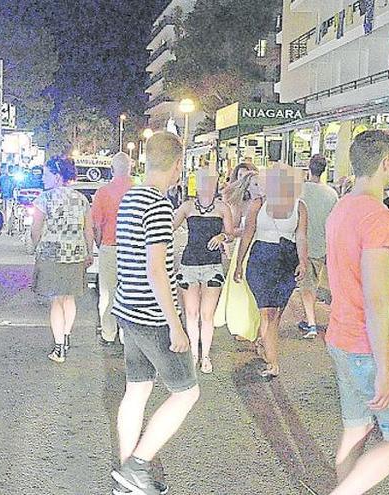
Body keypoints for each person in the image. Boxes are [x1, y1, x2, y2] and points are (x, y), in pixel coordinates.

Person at [325, 130, 389, 495]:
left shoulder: (341, 210)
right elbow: (378, 300)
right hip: (371, 346)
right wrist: (386, 368)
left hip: (341, 337)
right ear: (387, 164)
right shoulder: (380, 219)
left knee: (356, 426)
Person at [110, 132, 198, 495]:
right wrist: (176, 326)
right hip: (152, 315)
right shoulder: (159, 206)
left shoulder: (131, 197)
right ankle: (138, 465)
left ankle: (127, 471)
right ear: (177, 165)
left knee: (137, 390)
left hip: (127, 308)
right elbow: (157, 270)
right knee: (185, 394)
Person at [234, 164, 309, 379]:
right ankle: (273, 362)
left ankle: (265, 342)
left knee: (276, 314)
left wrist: (302, 261)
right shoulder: (258, 205)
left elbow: (302, 237)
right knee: (267, 312)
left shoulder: (299, 207)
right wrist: (239, 263)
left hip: (286, 261)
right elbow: (248, 234)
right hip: (261, 261)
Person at [30, 156, 93, 363]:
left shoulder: (44, 199)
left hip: (51, 254)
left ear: (57, 176)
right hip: (75, 254)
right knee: (69, 298)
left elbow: (36, 229)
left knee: (56, 300)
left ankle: (59, 348)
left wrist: (35, 246)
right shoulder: (81, 200)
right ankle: (66, 336)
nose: (43, 179)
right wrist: (89, 252)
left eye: (47, 175)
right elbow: (88, 230)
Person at [172, 166, 235, 373]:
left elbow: (230, 233)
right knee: (191, 313)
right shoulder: (187, 206)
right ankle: (193, 354)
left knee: (207, 315)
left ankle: (205, 356)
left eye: (210, 180)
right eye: (202, 181)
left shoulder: (222, 208)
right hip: (189, 265)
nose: (206, 185)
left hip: (212, 266)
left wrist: (222, 237)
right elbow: (169, 225)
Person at [90, 152, 133, 345]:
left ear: (112, 169)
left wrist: (100, 244)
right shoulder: (138, 191)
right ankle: (126, 334)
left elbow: (96, 225)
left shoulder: (102, 193)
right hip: (133, 249)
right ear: (130, 168)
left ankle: (108, 332)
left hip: (110, 247)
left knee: (108, 292)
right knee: (130, 291)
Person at [297, 154, 339, 339]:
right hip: (322, 246)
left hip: (300, 246)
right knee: (312, 283)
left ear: (309, 168)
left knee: (307, 286)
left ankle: (312, 324)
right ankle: (309, 319)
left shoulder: (300, 190)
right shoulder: (331, 194)